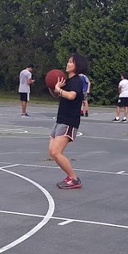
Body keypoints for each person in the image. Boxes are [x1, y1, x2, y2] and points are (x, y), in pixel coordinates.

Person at [49, 53, 88, 190]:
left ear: (77, 65)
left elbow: (71, 96)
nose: (67, 63)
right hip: (60, 119)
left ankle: (74, 179)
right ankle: (70, 177)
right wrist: (53, 87)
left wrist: (59, 89)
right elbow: (57, 94)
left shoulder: (77, 81)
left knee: (56, 152)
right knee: (52, 152)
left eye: (70, 62)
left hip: (69, 121)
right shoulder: (67, 81)